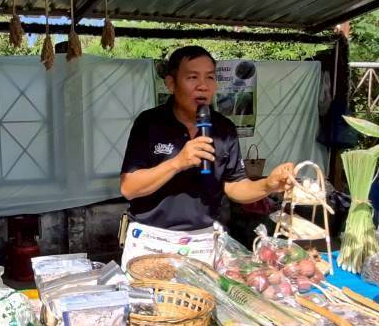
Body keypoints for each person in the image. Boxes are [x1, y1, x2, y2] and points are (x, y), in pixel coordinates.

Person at [118, 46, 296, 264]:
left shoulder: (224, 128)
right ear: (171, 83)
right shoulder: (149, 123)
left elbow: (234, 186)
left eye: (210, 78)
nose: (203, 86)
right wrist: (177, 162)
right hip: (150, 239)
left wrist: (268, 185)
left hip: (202, 242)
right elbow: (129, 188)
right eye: (192, 77)